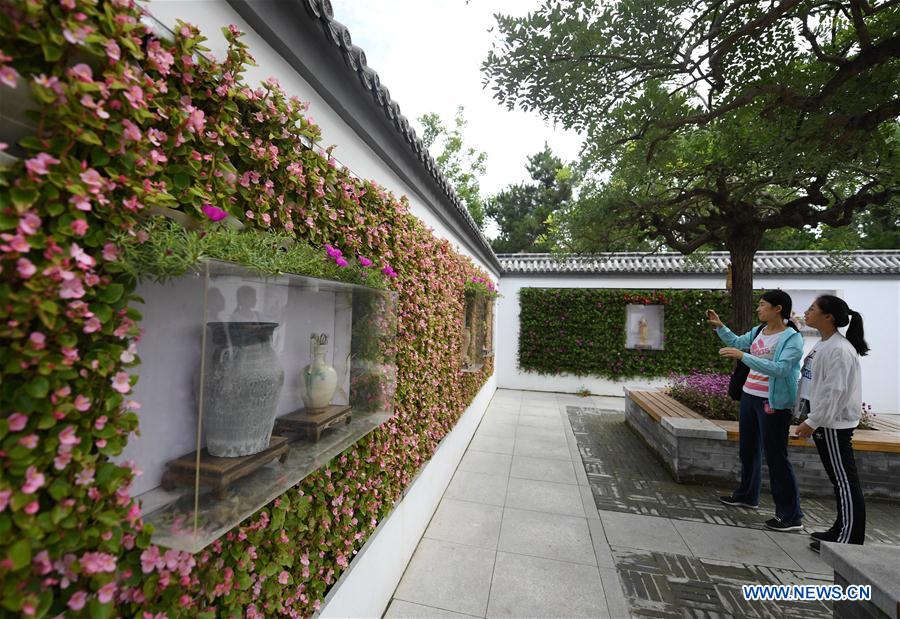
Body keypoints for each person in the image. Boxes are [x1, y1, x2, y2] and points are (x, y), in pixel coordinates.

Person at [707, 290, 805, 532]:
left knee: (776, 457)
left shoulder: (792, 338)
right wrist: (721, 328)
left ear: (778, 309)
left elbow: (781, 369)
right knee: (748, 449)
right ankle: (747, 495)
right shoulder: (759, 331)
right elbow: (739, 343)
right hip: (750, 396)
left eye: (762, 305)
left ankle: (791, 516)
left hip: (773, 403)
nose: (758, 309)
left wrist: (745, 357)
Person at [793, 295, 868, 553]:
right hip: (826, 420)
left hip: (833, 423)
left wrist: (813, 421)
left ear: (829, 317)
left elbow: (835, 392)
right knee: (840, 480)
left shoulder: (839, 349)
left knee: (845, 480)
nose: (806, 311)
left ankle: (849, 539)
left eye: (812, 308)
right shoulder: (824, 344)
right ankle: (841, 528)